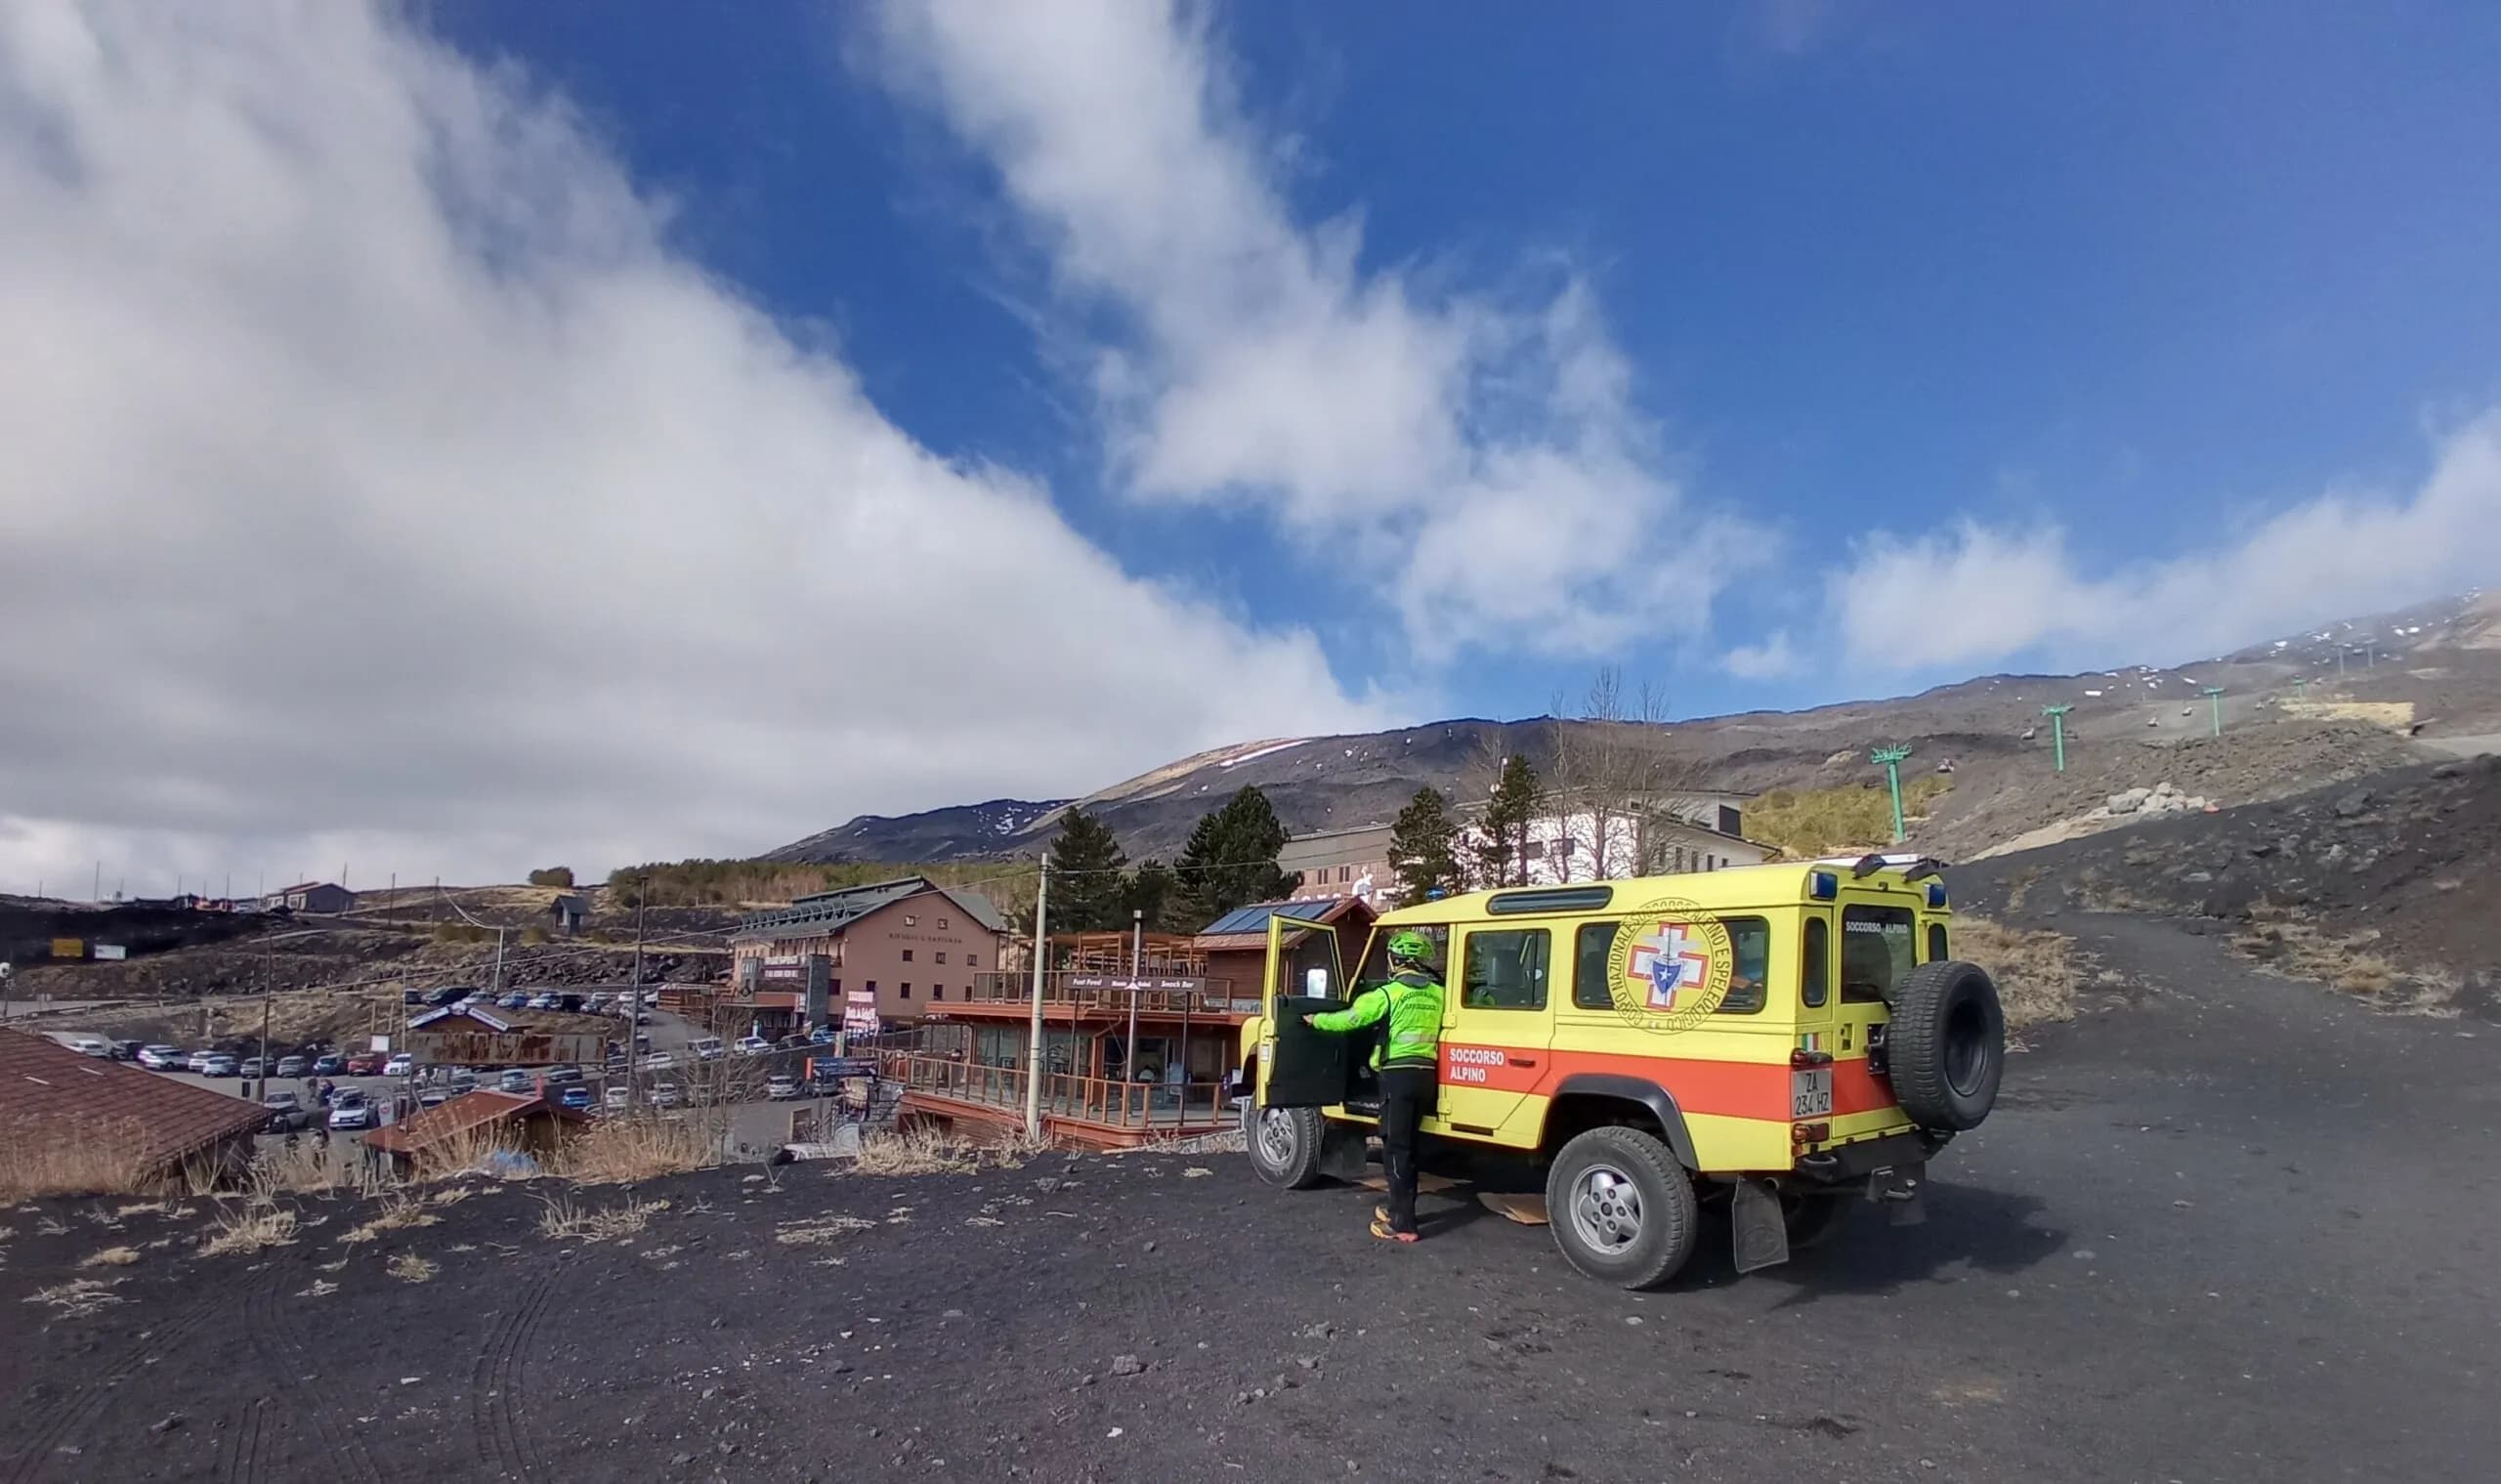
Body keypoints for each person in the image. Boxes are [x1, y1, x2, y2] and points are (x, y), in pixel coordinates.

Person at [1303, 929, 1445, 1244]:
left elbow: (1351, 1019)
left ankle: (1403, 1224)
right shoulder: (1438, 993)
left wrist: (1317, 1021)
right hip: (1426, 1077)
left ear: (1397, 960)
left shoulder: (1388, 994)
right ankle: (1398, 1207)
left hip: (1398, 1077)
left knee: (1396, 1149)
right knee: (1409, 1146)